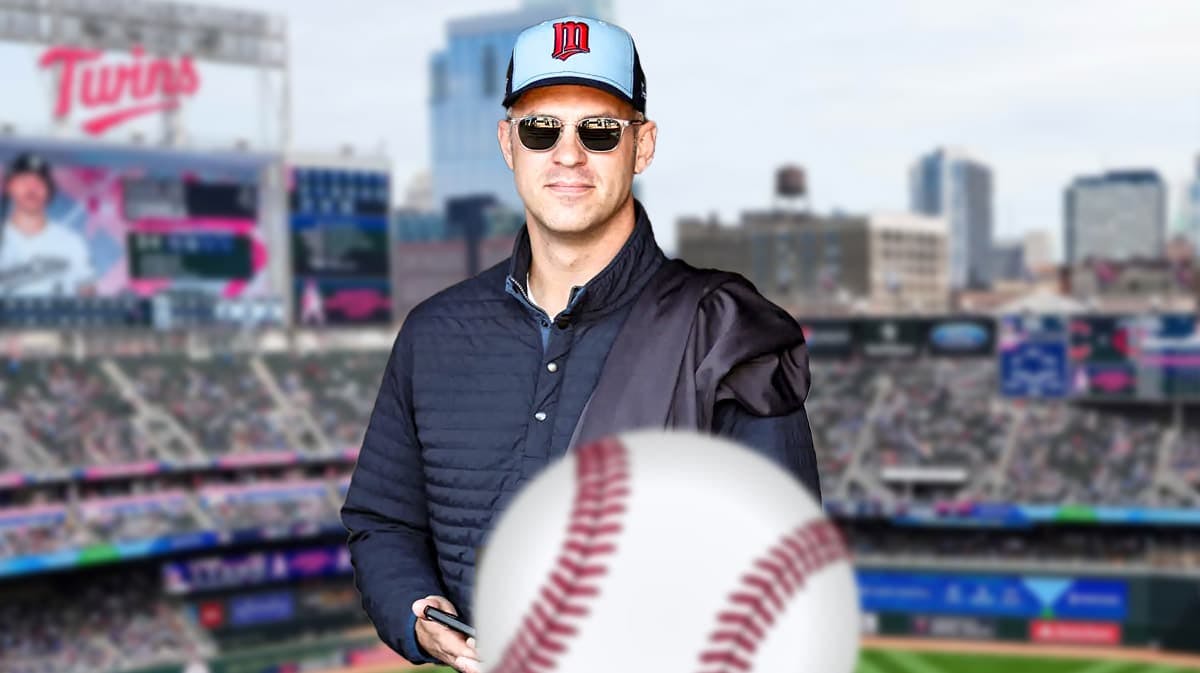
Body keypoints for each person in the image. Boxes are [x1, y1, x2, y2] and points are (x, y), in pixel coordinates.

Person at [341, 15, 820, 673]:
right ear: (509, 143)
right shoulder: (434, 332)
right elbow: (382, 520)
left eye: (599, 130)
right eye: (543, 130)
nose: (568, 155)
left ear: (642, 145)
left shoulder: (724, 329)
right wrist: (419, 616)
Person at [0, 152, 95, 297]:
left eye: (40, 182)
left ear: (49, 190)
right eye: (24, 180)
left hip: (56, 318)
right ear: (8, 187)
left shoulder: (71, 241)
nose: (32, 188)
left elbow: (88, 295)